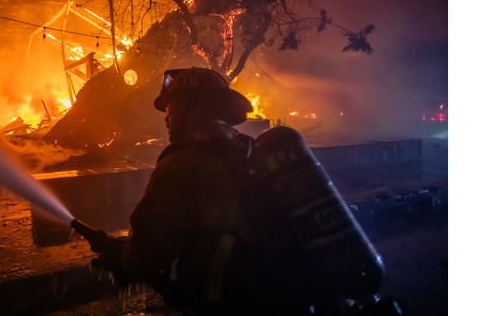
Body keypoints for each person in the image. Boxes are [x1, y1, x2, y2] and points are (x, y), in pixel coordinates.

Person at [88, 67, 400, 315]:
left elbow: (151, 245)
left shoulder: (184, 160)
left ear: (192, 107)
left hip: (236, 301)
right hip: (286, 290)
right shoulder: (248, 147)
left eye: (171, 108)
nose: (167, 119)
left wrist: (123, 262)